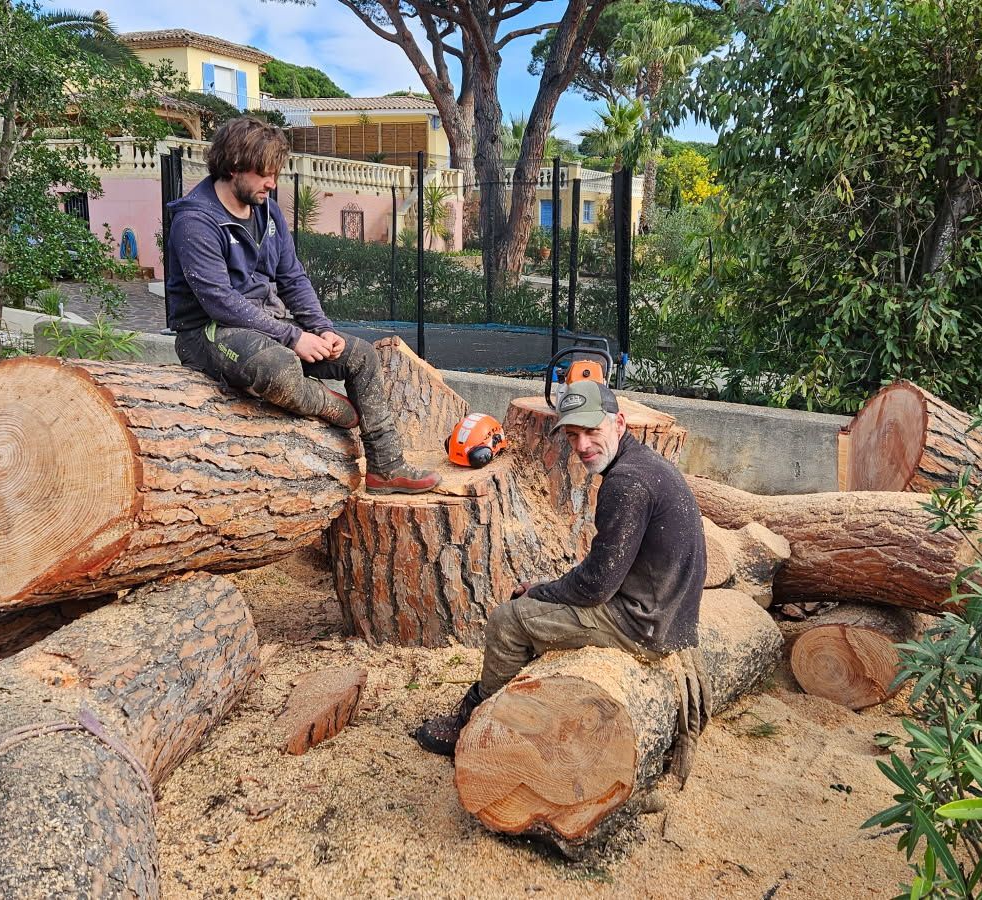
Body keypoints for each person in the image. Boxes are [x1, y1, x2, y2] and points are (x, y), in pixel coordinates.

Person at [413, 379, 708, 755]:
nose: (582, 445)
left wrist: (539, 591)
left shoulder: (627, 484)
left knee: (509, 620)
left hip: (644, 626)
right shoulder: (647, 465)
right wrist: (553, 588)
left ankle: (476, 725)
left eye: (591, 431)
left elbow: (597, 586)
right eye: (572, 435)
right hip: (667, 613)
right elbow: (609, 568)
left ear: (618, 423)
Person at [163, 117, 440, 494]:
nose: (272, 184)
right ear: (233, 166)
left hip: (267, 324)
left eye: (274, 174)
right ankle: (335, 409)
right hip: (207, 333)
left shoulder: (267, 212)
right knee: (278, 366)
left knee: (361, 356)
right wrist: (293, 337)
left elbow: (292, 277)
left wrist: (321, 328)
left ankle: (386, 468)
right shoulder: (195, 221)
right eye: (264, 174)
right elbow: (220, 302)